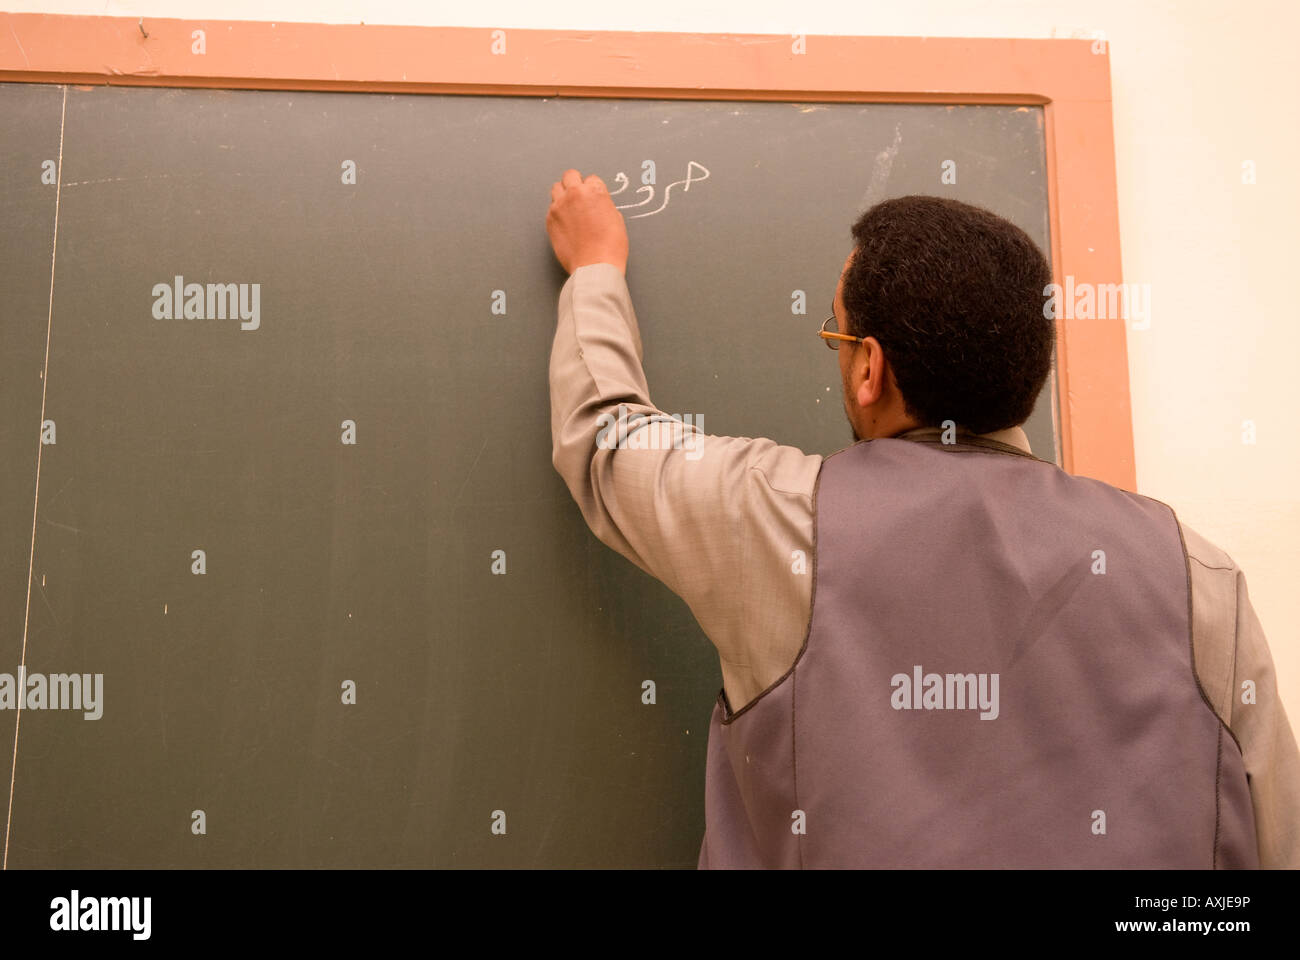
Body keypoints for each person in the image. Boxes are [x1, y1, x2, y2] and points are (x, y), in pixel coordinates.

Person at [544, 168, 1299, 868]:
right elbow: (1277, 835)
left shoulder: (782, 524)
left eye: (835, 337)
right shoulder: (1197, 573)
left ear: (869, 369)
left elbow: (607, 438)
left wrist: (595, 271)